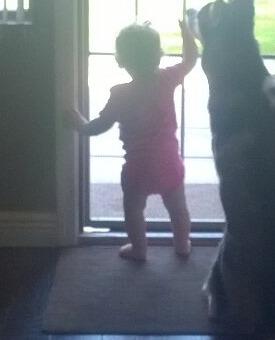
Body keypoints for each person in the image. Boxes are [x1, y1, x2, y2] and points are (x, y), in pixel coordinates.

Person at [68, 19, 199, 261]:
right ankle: (182, 244)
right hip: (169, 163)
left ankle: (139, 249)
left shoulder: (120, 94)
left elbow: (100, 126)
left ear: (121, 60)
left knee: (133, 209)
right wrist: (187, 34)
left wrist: (80, 124)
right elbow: (191, 59)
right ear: (159, 55)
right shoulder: (167, 79)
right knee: (178, 208)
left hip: (138, 168)